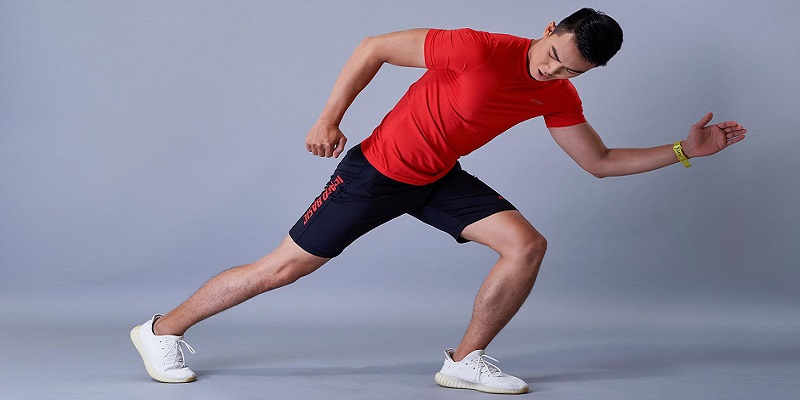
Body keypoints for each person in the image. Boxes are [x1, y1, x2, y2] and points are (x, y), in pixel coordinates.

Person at [130, 8, 746, 394]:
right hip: (376, 172)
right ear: (548, 30)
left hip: (437, 178)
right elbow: (373, 46)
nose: (554, 75)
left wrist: (684, 150)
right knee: (282, 269)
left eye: (572, 73)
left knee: (526, 246)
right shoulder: (476, 48)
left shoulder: (556, 96)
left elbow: (600, 162)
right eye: (555, 58)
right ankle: (160, 330)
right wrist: (328, 119)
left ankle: (465, 361)